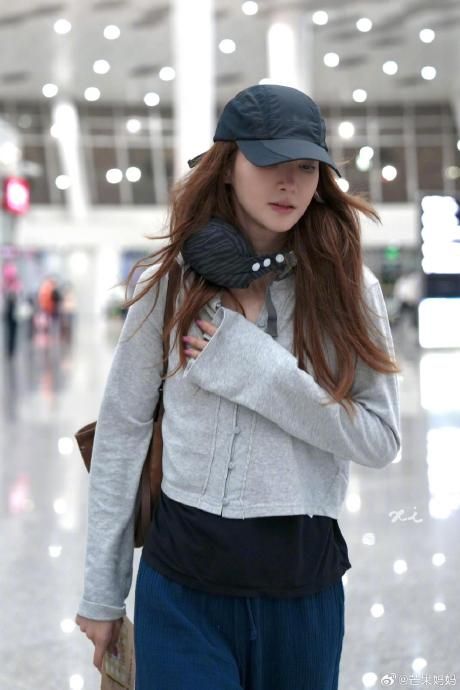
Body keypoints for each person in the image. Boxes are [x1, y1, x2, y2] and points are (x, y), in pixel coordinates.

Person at [75, 84, 401, 690]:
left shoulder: (351, 291)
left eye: (307, 167)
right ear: (227, 166)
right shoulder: (169, 284)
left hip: (302, 593)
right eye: (270, 160)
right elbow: (122, 432)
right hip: (181, 590)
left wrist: (261, 371)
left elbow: (380, 439)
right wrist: (102, 593)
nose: (290, 182)